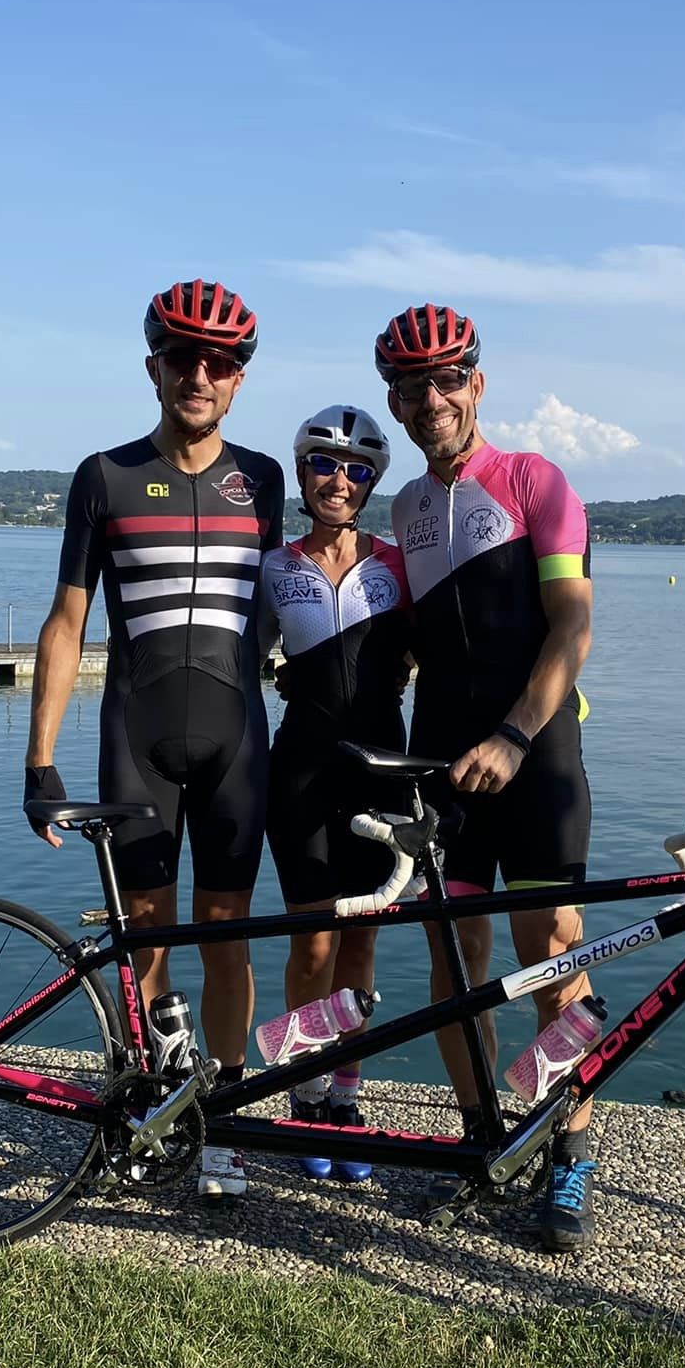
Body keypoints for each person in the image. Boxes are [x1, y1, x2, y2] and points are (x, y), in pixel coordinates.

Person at [24, 279, 284, 1200]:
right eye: (182, 358)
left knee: (227, 936)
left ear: (240, 380)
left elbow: (284, 604)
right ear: (153, 368)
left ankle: (226, 1127)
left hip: (236, 740)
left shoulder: (266, 479)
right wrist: (39, 759)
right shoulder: (105, 476)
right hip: (137, 738)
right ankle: (153, 1103)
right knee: (146, 935)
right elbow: (66, 623)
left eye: (220, 363)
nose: (199, 375)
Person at [375, 303, 600, 1252]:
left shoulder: (536, 481)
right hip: (443, 764)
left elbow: (572, 628)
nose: (430, 399)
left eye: (445, 379)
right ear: (395, 403)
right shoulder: (405, 509)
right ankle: (483, 1144)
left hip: (536, 757)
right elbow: (413, 640)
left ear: (476, 383)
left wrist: (513, 735)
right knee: (454, 969)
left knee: (552, 958)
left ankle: (568, 1152)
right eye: (410, 387)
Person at [257, 405, 412, 1184]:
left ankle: (346, 1095)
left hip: (383, 773)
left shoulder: (399, 566)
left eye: (355, 470)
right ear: (303, 472)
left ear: (372, 481)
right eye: (323, 464)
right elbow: (236, 662)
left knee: (361, 943)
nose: (339, 480)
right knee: (312, 942)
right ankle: (305, 1092)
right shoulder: (274, 568)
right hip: (303, 773)